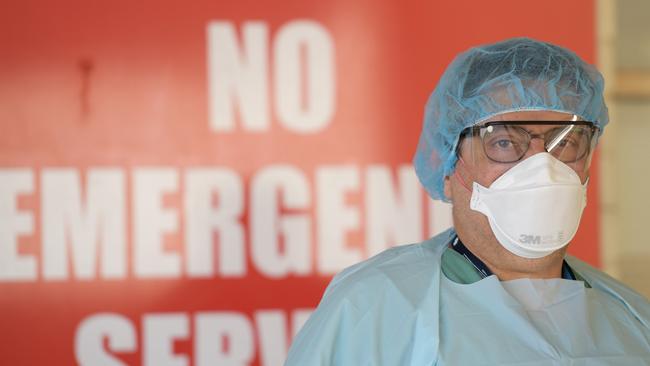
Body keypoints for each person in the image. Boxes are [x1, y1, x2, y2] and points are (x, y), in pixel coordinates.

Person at [284, 37, 650, 365]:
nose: (543, 167)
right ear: (448, 166)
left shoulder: (632, 317)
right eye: (503, 142)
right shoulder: (375, 310)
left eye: (565, 142)